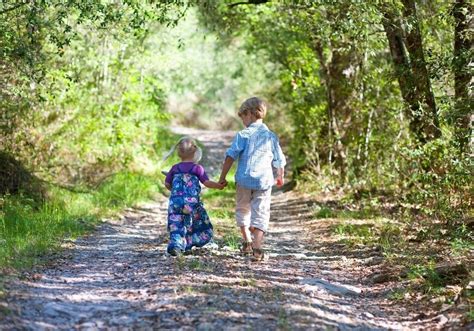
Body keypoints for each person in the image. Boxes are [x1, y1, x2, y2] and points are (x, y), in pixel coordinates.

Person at [218, 97, 286, 261]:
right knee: (261, 212)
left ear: (250, 114)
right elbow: (279, 160)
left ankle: (247, 241)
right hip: (263, 181)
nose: (243, 122)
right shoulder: (271, 136)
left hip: (244, 180)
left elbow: (230, 157)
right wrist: (280, 176)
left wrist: (222, 177)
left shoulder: (243, 135)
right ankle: (257, 247)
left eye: (243, 117)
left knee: (242, 209)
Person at [164, 137, 224, 256]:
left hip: (175, 202)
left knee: (176, 222)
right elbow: (206, 182)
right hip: (192, 202)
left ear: (179, 153)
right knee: (195, 222)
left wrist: (174, 192)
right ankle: (191, 242)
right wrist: (218, 186)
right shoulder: (197, 168)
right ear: (196, 152)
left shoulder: (175, 168)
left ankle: (176, 245)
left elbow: (167, 183)